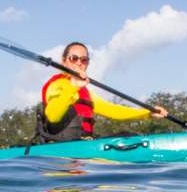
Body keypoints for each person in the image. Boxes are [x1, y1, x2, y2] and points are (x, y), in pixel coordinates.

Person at [35, 42, 168, 143]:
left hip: (84, 147)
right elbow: (53, 116)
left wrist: (147, 113)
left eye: (84, 60)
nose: (79, 63)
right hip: (61, 158)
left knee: (128, 137)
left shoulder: (84, 91)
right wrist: (72, 86)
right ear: (64, 61)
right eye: (74, 58)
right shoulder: (57, 85)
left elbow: (112, 110)